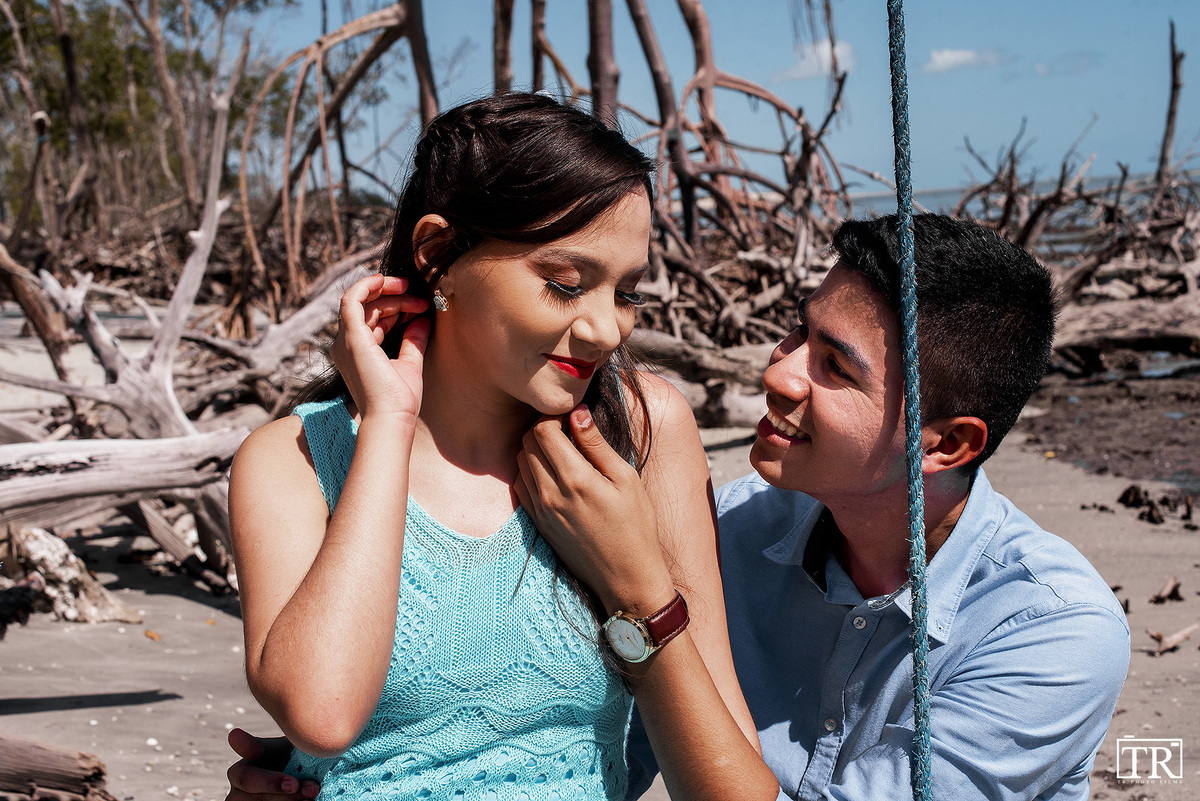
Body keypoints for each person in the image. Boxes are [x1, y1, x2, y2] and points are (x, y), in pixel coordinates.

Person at [228, 212, 1130, 799]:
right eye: (796, 333)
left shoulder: (1053, 632)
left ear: (945, 443)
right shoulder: (731, 525)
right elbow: (576, 728)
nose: (777, 374)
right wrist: (359, 767)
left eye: (835, 367)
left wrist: (644, 596)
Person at [226, 91, 758, 801]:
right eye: (566, 285)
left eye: (626, 292)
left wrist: (639, 588)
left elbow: (734, 791)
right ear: (438, 252)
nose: (608, 329)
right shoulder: (292, 458)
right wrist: (387, 422)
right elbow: (321, 715)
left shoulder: (644, 432)